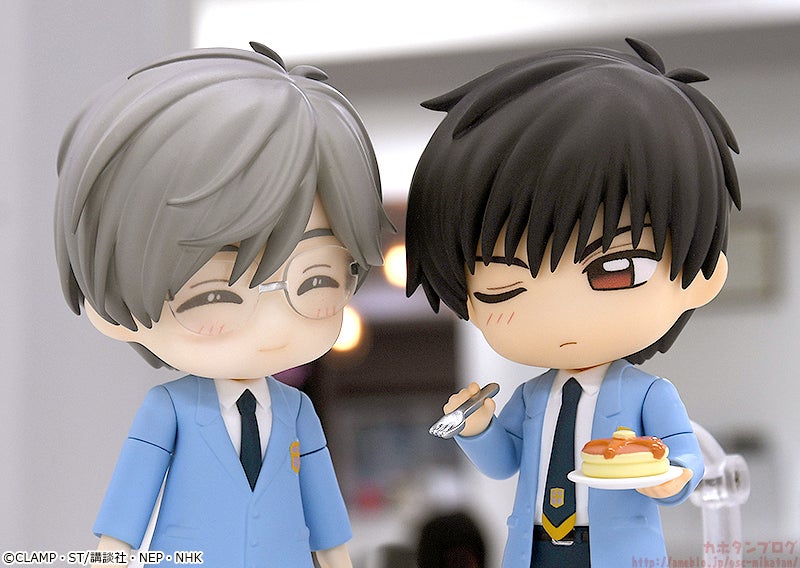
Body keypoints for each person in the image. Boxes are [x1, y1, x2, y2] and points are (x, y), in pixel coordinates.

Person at [55, 42, 392, 568]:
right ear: (111, 308)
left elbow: (326, 521)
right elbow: (125, 516)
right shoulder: (168, 410)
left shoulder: (297, 412)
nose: (273, 327)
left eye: (315, 281)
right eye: (215, 294)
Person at [405, 38, 740, 567]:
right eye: (504, 287)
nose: (563, 317)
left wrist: (673, 477)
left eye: (614, 270)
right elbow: (504, 463)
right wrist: (478, 427)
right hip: (535, 547)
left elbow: (683, 453)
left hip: (617, 551)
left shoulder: (649, 394)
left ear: (700, 278)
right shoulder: (532, 397)